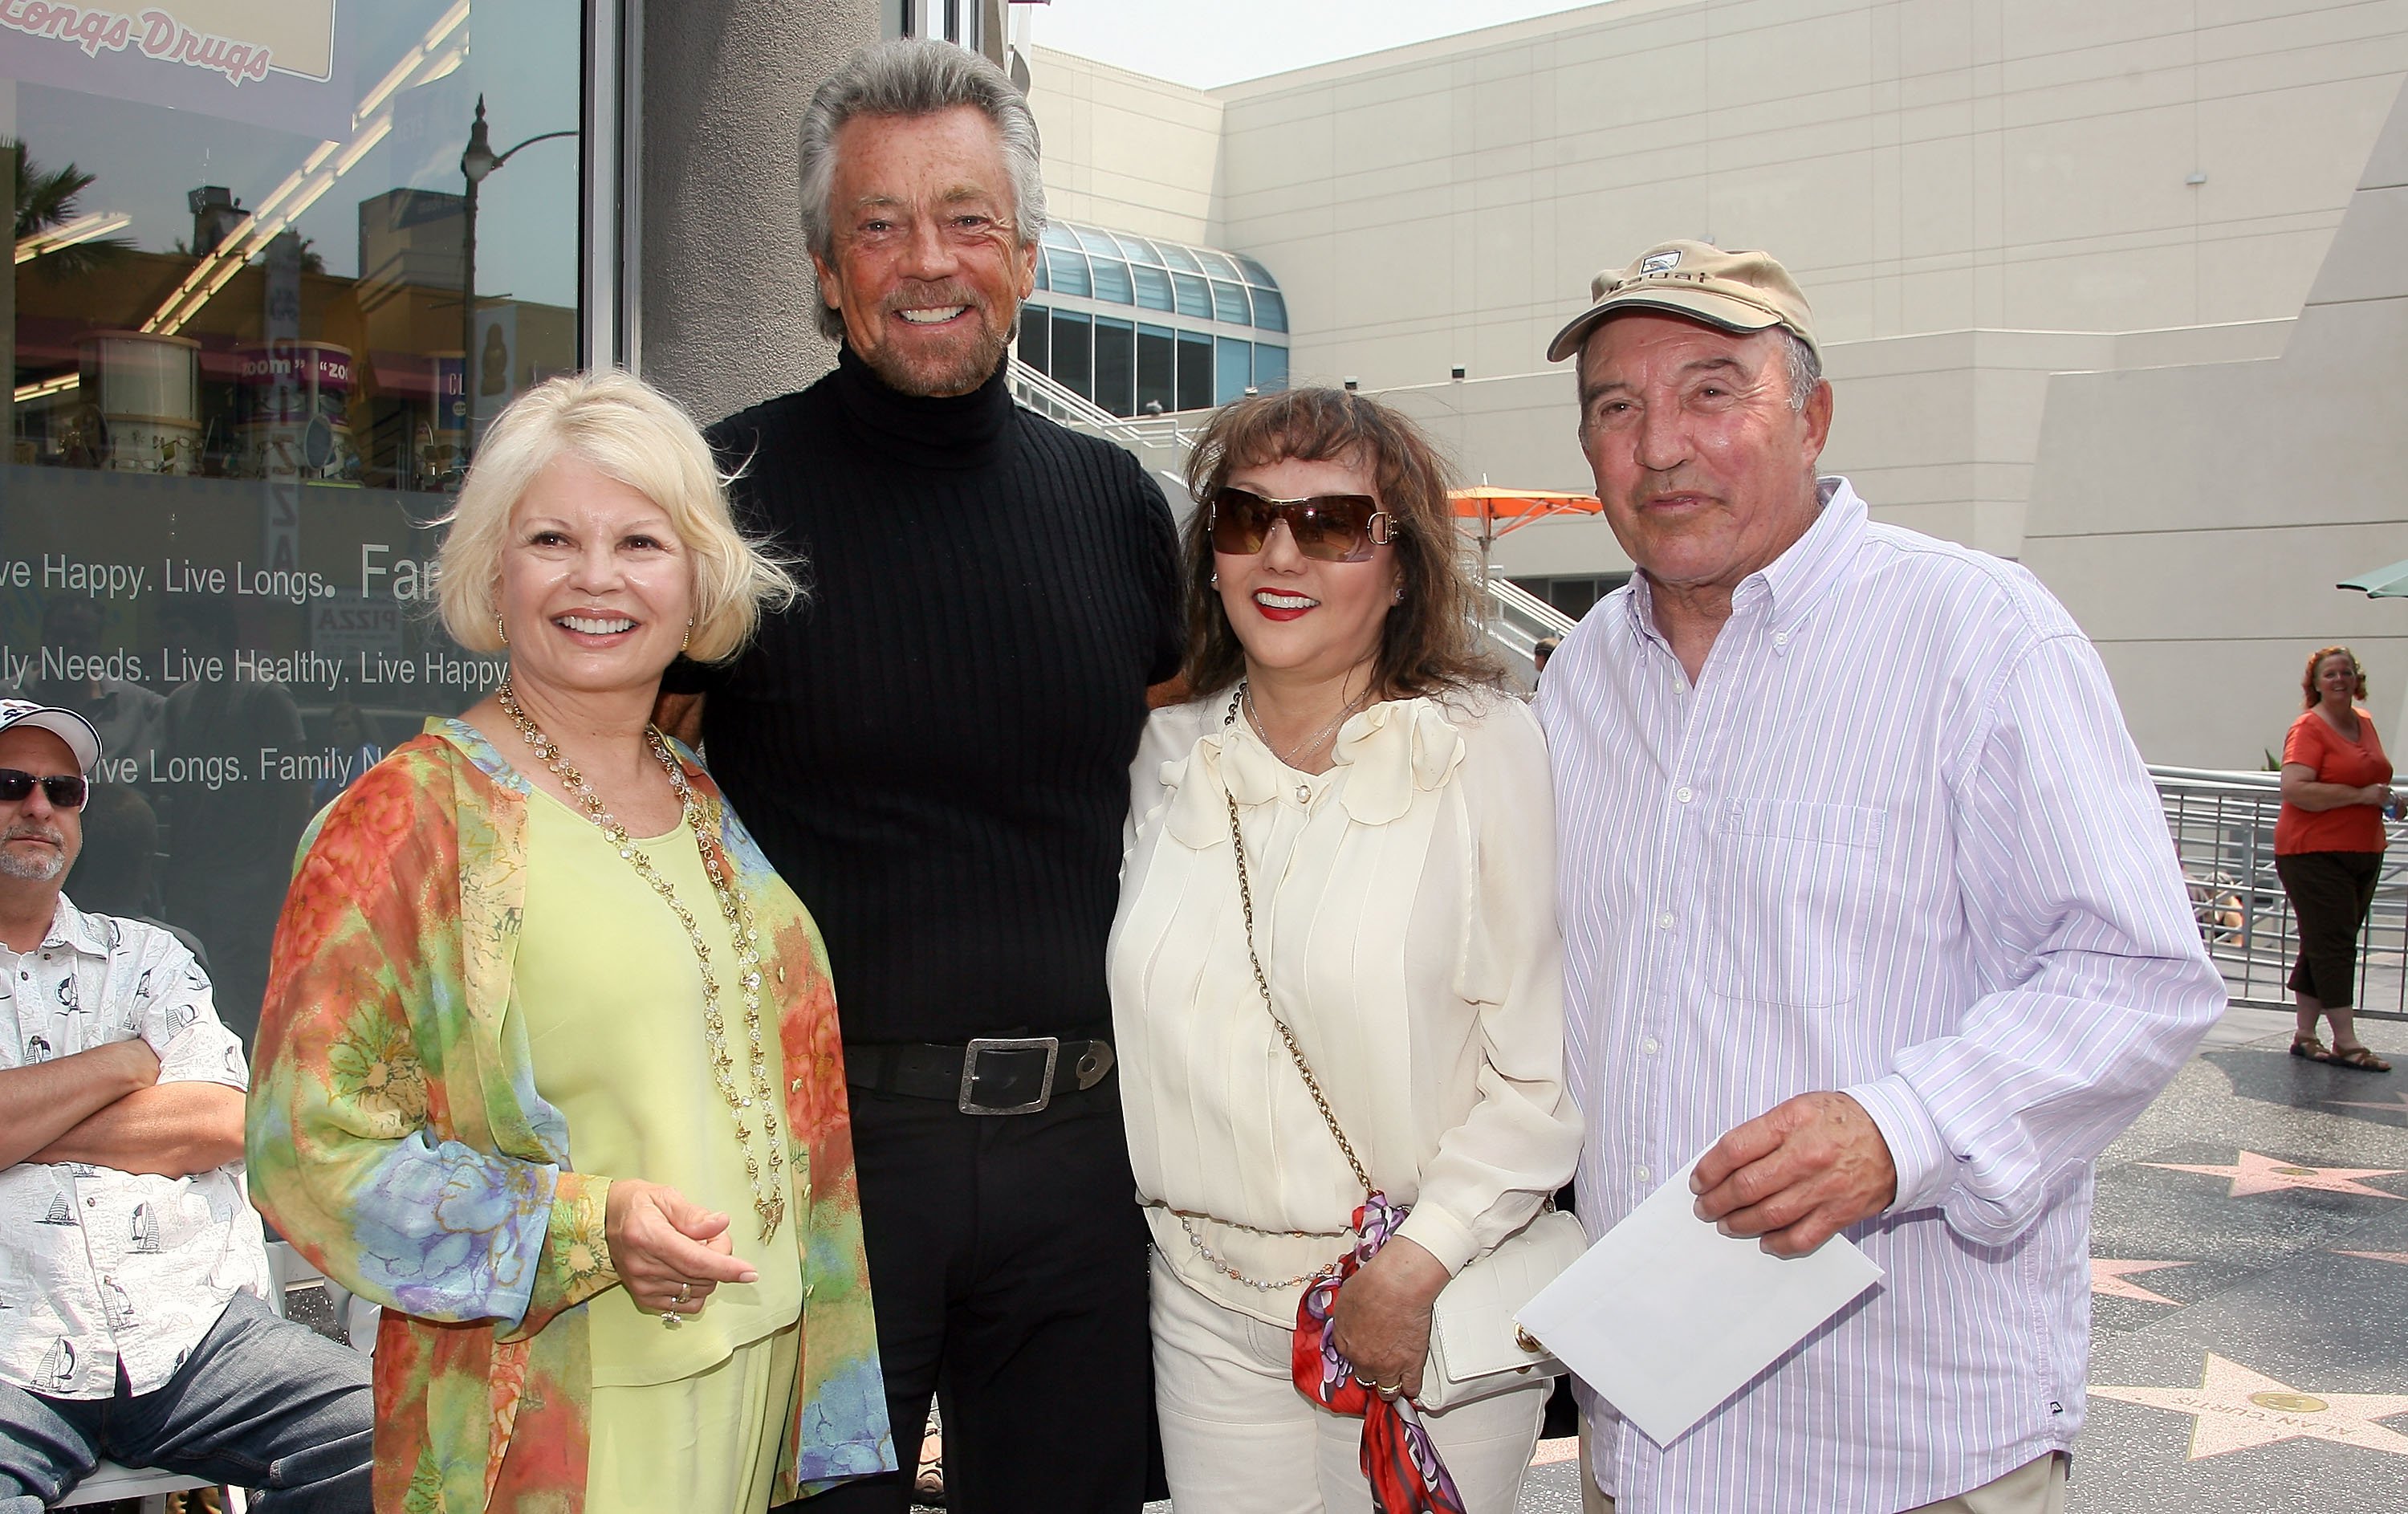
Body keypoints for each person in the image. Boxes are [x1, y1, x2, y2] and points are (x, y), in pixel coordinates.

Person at [1536, 240, 2227, 1513]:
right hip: (1644, 1445)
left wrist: (1903, 1129)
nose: (1662, 446)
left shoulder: (1979, 632)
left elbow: (2139, 972)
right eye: (1616, 409)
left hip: (1901, 1444)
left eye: (1710, 391)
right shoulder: (1580, 680)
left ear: (1812, 414)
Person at [654, 39, 1182, 1514]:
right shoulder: (722, 498)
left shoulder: (1115, 505)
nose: (926, 260)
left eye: (965, 220)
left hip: (1087, 1165)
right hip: (821, 1168)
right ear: (826, 268)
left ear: (1024, 253)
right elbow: (630, 786)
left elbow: (1199, 781)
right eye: (878, 225)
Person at [246, 372, 894, 1513]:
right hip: (559, 1403)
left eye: (641, 540)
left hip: (749, 1372)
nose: (598, 577)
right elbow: (308, 1152)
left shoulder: (699, 800)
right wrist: (582, 1228)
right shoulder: (411, 821)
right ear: (495, 573)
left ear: (697, 578)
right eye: (553, 537)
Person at [1112, 389, 1580, 1513]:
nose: (1282, 552)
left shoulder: (1481, 749)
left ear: (1403, 563)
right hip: (1200, 1299)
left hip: (1412, 1293)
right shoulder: (1169, 754)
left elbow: (1539, 1070)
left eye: (1330, 524)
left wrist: (1419, 1261)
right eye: (1244, 516)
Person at [0, 698, 373, 1512]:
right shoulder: (139, 1010)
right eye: (12, 782)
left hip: (192, 1337)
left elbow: (219, 1121)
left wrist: (24, 1122)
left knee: (390, 1432)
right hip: (10, 1355)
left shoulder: (149, 957)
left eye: (63, 790)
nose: (39, 806)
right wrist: (124, 1062)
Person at [2275, 645, 2394, 1072]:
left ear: (2356, 679)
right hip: (2312, 852)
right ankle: (2347, 1040)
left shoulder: (2364, 722)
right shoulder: (2308, 727)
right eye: (2330, 674)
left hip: (2364, 849)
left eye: (2346, 672)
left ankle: (2306, 1034)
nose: (2340, 680)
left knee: (2323, 942)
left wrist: (2382, 799)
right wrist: (2361, 796)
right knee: (2335, 946)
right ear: (2316, 684)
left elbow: (2371, 775)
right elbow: (2295, 788)